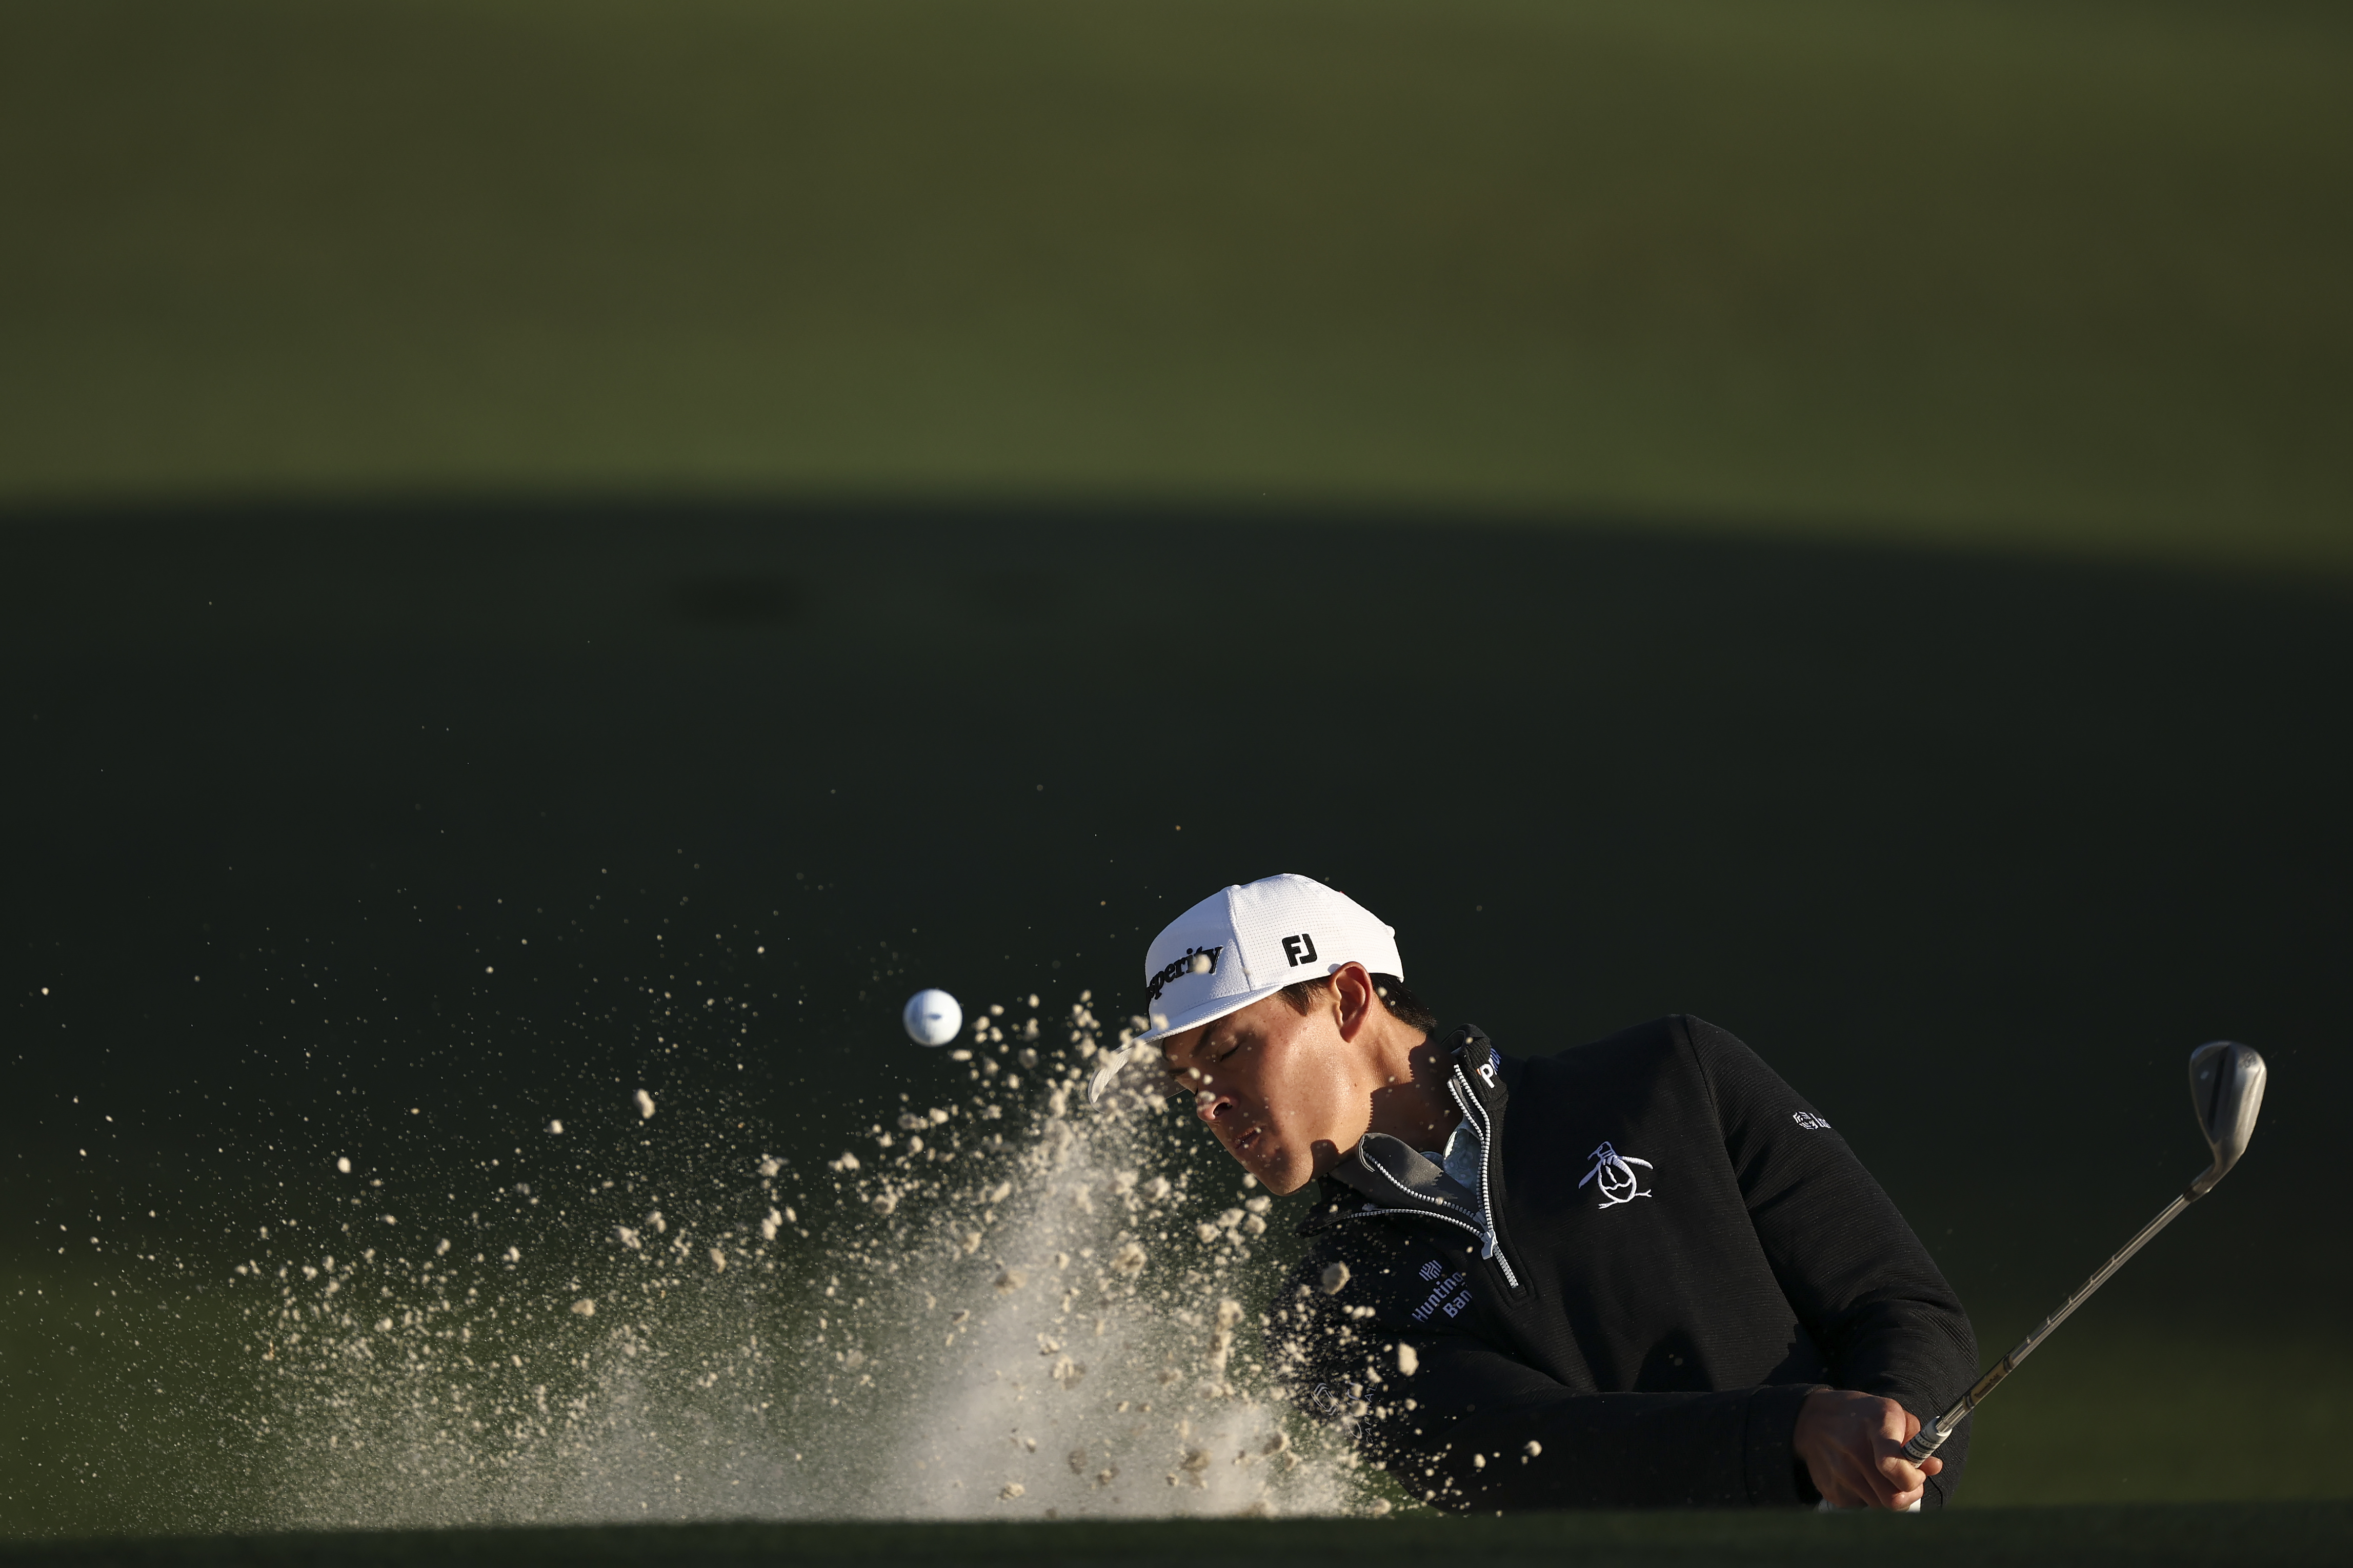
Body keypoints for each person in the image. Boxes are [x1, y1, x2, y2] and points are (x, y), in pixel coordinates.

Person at [1087, 872, 1976, 1511]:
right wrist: (1791, 1436)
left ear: (1349, 998)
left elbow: (1898, 1305)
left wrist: (1888, 1454)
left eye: (1226, 1050)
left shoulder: (1672, 1078)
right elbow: (1529, 1458)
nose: (1208, 1104)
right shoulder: (1328, 1310)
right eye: (1184, 1082)